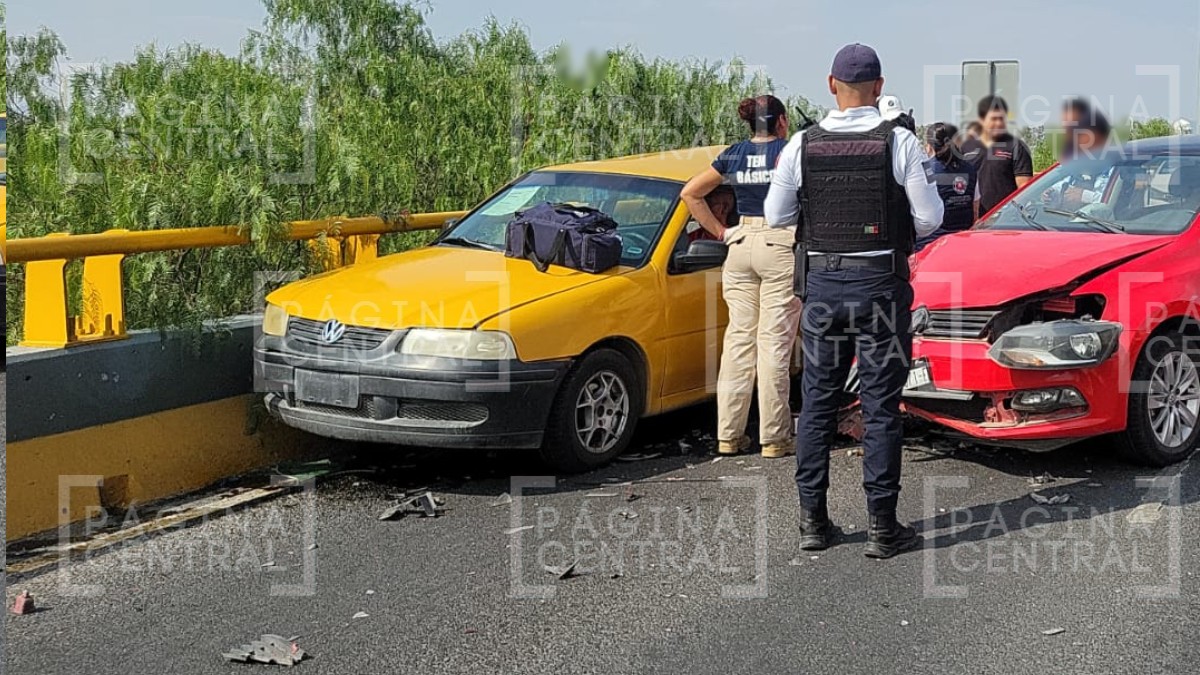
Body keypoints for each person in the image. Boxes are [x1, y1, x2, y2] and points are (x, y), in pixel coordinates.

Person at [764, 44, 943, 559]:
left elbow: (777, 216)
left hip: (822, 289)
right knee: (882, 406)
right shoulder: (901, 142)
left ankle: (812, 523)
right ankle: (884, 529)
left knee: (817, 402)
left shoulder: (801, 144)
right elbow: (929, 219)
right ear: (880, 87)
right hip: (880, 290)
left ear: (830, 85)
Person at [681, 95, 799, 459]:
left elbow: (691, 192)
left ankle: (728, 436)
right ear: (781, 121)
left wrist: (720, 231)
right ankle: (774, 438)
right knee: (773, 344)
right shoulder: (790, 151)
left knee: (738, 343)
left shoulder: (733, 154)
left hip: (741, 244)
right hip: (781, 242)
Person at [960, 96, 1033, 216]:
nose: (998, 123)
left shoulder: (1016, 147)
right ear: (981, 120)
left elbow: (1025, 189)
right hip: (973, 219)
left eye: (1002, 119)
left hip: (1005, 220)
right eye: (994, 119)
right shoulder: (966, 147)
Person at [916, 122, 979, 251]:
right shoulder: (971, 169)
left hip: (930, 245)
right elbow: (975, 211)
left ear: (928, 147)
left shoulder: (923, 170)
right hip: (962, 243)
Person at [1042, 99, 1114, 210]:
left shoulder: (1119, 165)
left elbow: (1119, 204)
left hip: (1102, 224)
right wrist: (1051, 192)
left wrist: (1086, 196)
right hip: (1066, 222)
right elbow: (1066, 181)